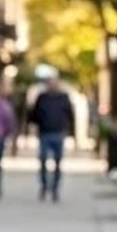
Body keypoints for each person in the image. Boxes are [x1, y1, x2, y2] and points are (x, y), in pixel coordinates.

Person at [28, 73, 76, 201]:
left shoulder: (63, 97)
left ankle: (55, 188)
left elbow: (70, 115)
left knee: (58, 162)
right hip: (45, 133)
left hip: (58, 133)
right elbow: (34, 114)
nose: (52, 85)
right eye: (50, 83)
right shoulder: (42, 97)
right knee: (43, 161)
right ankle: (44, 186)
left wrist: (70, 131)